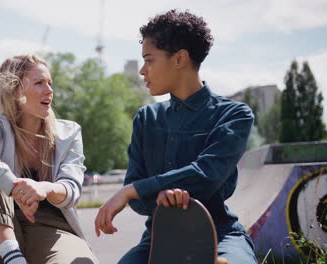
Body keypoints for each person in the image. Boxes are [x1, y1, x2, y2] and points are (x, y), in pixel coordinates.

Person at [94, 10, 258, 264]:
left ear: (180, 58)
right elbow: (138, 197)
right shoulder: (146, 118)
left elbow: (207, 174)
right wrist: (159, 197)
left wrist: (134, 191)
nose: (142, 70)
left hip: (221, 234)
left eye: (149, 60)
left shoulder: (235, 114)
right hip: (158, 238)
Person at [0, 54, 98, 264]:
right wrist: (12, 185)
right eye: (39, 83)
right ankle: (14, 257)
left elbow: (72, 190)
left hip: (51, 229)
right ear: (15, 91)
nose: (49, 90)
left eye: (49, 83)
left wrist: (44, 188)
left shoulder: (68, 133)